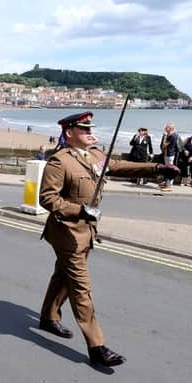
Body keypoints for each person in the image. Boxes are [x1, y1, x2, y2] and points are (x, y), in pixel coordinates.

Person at [37, 111, 179, 368]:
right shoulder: (60, 162)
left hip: (86, 231)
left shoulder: (96, 155)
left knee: (63, 276)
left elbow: (119, 167)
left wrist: (156, 167)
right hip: (66, 232)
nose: (90, 132)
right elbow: (47, 199)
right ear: (69, 133)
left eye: (91, 128)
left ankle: (48, 317)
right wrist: (80, 210)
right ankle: (97, 346)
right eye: (84, 129)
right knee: (81, 286)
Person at [159, 123, 179, 191]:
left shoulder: (173, 136)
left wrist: (164, 136)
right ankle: (167, 184)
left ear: (171, 128)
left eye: (167, 127)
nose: (165, 128)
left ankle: (169, 186)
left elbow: (164, 145)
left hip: (170, 155)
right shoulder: (169, 135)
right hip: (166, 154)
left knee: (170, 170)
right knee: (167, 170)